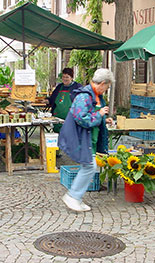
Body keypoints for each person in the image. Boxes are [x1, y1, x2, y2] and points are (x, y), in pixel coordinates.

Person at [58, 68, 115, 212]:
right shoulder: (84, 96)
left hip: (89, 139)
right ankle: (72, 197)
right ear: (102, 83)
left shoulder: (94, 96)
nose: (106, 90)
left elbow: (91, 114)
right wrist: (100, 114)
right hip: (81, 138)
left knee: (88, 167)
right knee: (89, 167)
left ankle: (76, 197)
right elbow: (81, 118)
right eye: (107, 87)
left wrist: (103, 119)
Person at [47, 68, 83, 132]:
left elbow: (82, 102)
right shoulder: (59, 87)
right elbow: (52, 99)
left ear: (71, 78)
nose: (65, 79)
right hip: (57, 118)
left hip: (71, 119)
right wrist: (47, 101)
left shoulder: (77, 87)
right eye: (63, 77)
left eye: (67, 77)